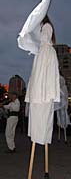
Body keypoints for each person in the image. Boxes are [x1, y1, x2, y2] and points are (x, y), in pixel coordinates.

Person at [25, 14, 60, 178]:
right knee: (42, 123)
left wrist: (38, 92)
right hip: (41, 94)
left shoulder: (46, 52)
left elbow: (41, 76)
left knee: (42, 122)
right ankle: (45, 169)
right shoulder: (45, 52)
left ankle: (35, 171)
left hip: (41, 95)